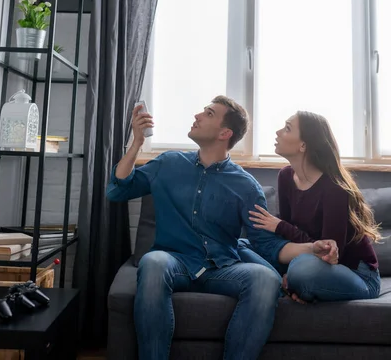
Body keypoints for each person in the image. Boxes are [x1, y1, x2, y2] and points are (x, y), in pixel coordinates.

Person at [107, 97, 338, 360]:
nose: (197, 115)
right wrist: (137, 142)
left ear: (224, 133)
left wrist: (311, 248)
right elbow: (117, 190)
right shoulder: (168, 163)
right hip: (174, 261)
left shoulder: (246, 186)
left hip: (223, 268)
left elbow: (265, 244)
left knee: (266, 278)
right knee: (153, 262)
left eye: (208, 113)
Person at [248, 111, 381, 303]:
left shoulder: (334, 188)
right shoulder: (285, 177)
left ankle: (293, 283)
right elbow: (287, 239)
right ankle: (292, 284)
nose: (278, 132)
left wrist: (279, 226)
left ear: (303, 145)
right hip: (309, 263)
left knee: (303, 269)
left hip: (356, 275)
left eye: (287, 128)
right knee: (242, 246)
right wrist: (282, 232)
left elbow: (327, 253)